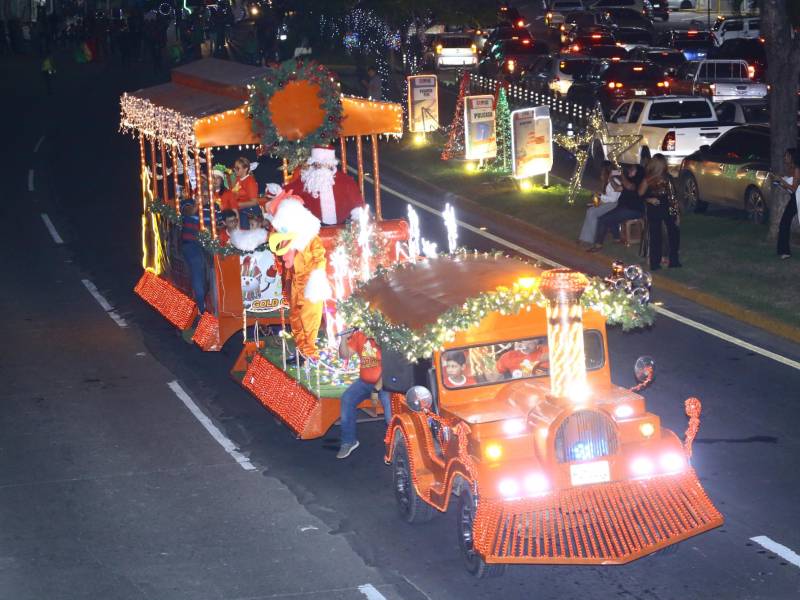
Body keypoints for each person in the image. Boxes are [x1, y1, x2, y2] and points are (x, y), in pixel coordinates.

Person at [336, 329, 392, 459]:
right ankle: (348, 441)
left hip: (384, 384)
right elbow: (344, 355)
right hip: (364, 382)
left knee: (390, 412)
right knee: (347, 399)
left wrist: (376, 390)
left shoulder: (385, 336)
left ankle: (394, 444)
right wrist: (343, 339)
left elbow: (390, 368)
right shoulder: (359, 335)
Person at [283, 146, 365, 225]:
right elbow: (287, 192)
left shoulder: (346, 181)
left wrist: (358, 222)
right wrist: (275, 190)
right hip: (313, 228)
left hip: (343, 226)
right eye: (317, 165)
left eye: (326, 165)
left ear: (331, 164)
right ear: (312, 164)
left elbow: (357, 204)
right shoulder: (307, 180)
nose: (321, 168)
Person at [590, 164, 645, 252]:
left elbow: (629, 186)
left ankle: (598, 245)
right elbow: (617, 188)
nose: (630, 170)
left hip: (633, 210)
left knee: (603, 220)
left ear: (638, 173)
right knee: (610, 216)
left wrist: (622, 174)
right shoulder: (629, 180)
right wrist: (611, 178)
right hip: (624, 208)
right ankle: (617, 238)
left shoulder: (638, 182)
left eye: (633, 170)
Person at [640, 154, 680, 270]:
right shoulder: (647, 179)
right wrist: (649, 199)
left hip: (667, 208)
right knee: (655, 236)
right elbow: (639, 195)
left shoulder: (667, 178)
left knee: (674, 234)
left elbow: (673, 198)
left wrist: (676, 214)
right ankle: (655, 262)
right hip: (654, 210)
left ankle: (674, 260)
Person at [180, 186, 211, 314]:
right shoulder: (187, 203)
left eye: (206, 195)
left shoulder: (211, 208)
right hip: (191, 245)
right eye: (201, 195)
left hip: (207, 246)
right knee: (197, 266)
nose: (204, 198)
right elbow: (189, 212)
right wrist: (197, 204)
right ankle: (201, 306)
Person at [579, 161, 621, 246]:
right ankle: (586, 237)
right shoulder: (607, 180)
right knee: (591, 210)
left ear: (605, 171)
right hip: (608, 202)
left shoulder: (614, 181)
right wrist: (598, 197)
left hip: (614, 204)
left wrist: (600, 196)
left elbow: (614, 199)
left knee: (592, 212)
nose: (600, 172)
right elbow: (606, 195)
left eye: (602, 170)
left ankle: (588, 239)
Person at [777, 148, 800, 259]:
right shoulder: (790, 169)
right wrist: (780, 184)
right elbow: (790, 190)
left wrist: (782, 181)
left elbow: (794, 188)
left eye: (786, 155)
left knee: (784, 223)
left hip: (798, 199)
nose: (784, 157)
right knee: (784, 223)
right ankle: (784, 251)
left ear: (791, 157)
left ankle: (785, 252)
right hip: (794, 198)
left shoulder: (796, 170)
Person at [230, 157, 260, 229]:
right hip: (239, 211)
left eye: (238, 168)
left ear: (245, 169)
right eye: (235, 168)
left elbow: (254, 202)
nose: (235, 170)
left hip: (248, 212)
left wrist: (237, 204)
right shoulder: (237, 179)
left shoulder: (250, 181)